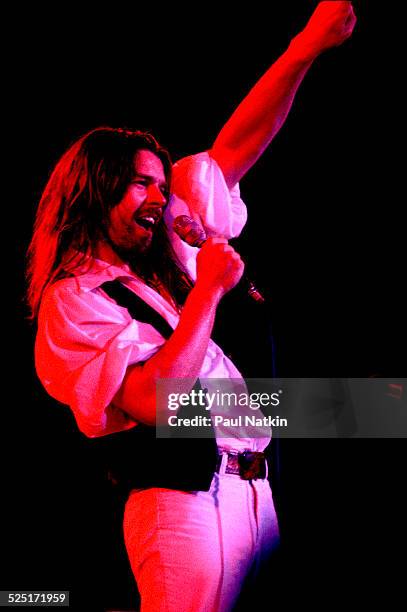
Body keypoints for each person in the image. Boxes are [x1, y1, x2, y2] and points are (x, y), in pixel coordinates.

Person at [26, 3, 356, 610]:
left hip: (256, 492)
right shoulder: (74, 299)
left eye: (160, 183)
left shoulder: (161, 271)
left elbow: (234, 149)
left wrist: (304, 48)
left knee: (375, 408)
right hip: (186, 506)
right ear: (94, 194)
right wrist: (207, 290)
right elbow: (156, 401)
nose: (160, 196)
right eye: (140, 184)